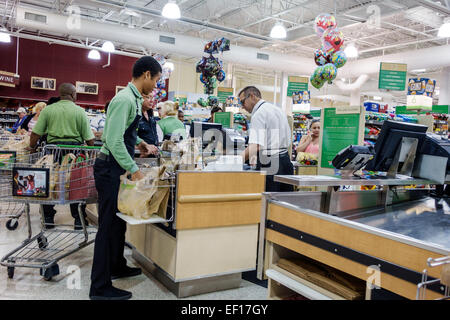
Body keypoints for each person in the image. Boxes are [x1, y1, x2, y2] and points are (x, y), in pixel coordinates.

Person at [90, 56, 161, 300]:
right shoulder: (124, 99)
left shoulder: (133, 99)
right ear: (147, 74)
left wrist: (140, 143)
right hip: (109, 167)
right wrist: (134, 168)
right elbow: (113, 139)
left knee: (118, 221)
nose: (156, 86)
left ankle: (117, 266)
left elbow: (123, 132)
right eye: (157, 80)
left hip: (115, 167)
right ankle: (99, 287)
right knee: (107, 227)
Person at [28, 83, 95, 230]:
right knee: (76, 185)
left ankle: (48, 219)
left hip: (53, 153)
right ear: (72, 95)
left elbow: (35, 133)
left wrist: (31, 148)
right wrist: (91, 151)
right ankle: (78, 220)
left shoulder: (49, 110)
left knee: (49, 184)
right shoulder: (80, 111)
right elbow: (89, 138)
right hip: (74, 153)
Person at [239, 86, 293, 192]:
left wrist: (235, 161)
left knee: (269, 202)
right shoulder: (278, 110)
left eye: (242, 102)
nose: (242, 107)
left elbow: (256, 146)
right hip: (285, 161)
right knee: (285, 202)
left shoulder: (259, 114)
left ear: (252, 96)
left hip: (269, 163)